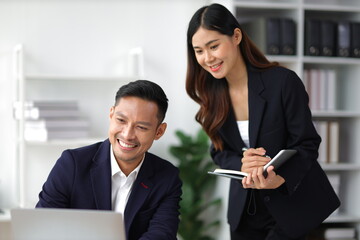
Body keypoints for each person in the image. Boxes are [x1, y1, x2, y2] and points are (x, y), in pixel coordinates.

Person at [185, 3, 340, 240]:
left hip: (291, 208)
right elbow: (219, 152)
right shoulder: (212, 95)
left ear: (236, 36)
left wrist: (280, 177)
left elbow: (307, 144)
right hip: (245, 214)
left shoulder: (283, 83)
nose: (207, 58)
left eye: (213, 46)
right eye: (199, 51)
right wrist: (242, 164)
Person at [36, 80, 182, 240]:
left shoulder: (167, 177)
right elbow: (44, 227)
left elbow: (161, 235)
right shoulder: (72, 164)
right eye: (121, 120)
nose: (127, 135)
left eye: (141, 127)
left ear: (159, 131)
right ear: (111, 114)